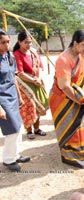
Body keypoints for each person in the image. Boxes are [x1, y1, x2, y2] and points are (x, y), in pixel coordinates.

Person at [49, 30, 84, 168]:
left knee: (80, 127)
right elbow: (64, 86)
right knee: (69, 127)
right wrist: (79, 100)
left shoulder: (81, 57)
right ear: (75, 43)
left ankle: (80, 154)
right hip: (63, 100)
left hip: (78, 97)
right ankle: (68, 157)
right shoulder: (64, 59)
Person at [0, 30, 30, 171]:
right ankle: (8, 159)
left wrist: (19, 96)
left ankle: (16, 154)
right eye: (3, 42)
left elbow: (14, 78)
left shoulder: (9, 56)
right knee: (11, 128)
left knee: (18, 126)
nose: (6, 45)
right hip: (2, 99)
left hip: (12, 95)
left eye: (8, 41)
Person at [13, 31, 49, 139]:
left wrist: (38, 78)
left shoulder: (33, 52)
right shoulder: (17, 54)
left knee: (38, 106)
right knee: (29, 108)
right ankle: (29, 130)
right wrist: (33, 80)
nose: (29, 45)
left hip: (36, 82)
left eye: (30, 42)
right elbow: (20, 72)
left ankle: (37, 128)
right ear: (19, 42)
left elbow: (40, 67)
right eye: (26, 43)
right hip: (25, 85)